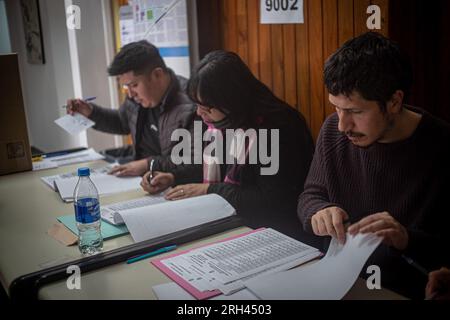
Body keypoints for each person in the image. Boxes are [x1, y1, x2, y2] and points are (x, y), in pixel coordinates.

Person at [297, 32, 450, 299]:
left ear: (394, 102)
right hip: (333, 283)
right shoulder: (333, 129)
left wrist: (406, 239)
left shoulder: (442, 145)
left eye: (355, 112)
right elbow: (310, 195)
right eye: (336, 108)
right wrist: (319, 211)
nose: (343, 125)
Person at [141, 50, 320, 244]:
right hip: (238, 224)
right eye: (197, 105)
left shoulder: (278, 127)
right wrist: (174, 177)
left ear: (231, 99)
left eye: (207, 107)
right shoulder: (227, 122)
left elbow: (271, 201)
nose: (200, 113)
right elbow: (216, 167)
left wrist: (210, 190)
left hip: (278, 235)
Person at [66, 40, 198, 177]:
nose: (130, 94)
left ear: (157, 75)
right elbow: (122, 122)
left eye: (134, 85)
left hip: (170, 182)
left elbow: (194, 162)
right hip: (140, 175)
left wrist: (148, 164)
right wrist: (90, 112)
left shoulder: (191, 105)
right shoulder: (136, 98)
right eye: (126, 87)